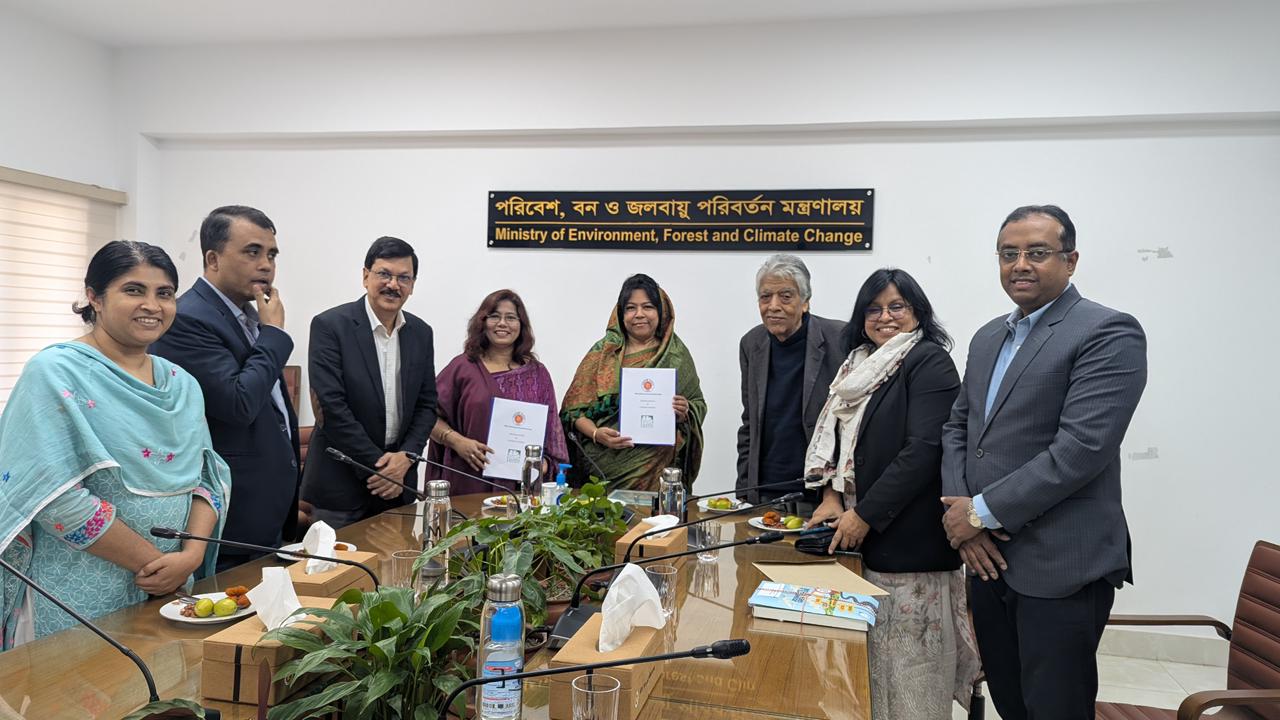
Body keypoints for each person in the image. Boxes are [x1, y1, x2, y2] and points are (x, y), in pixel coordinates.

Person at [940, 205, 1147, 719]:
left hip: (1061, 562)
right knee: (1010, 702)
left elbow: (1081, 450)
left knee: (1055, 708)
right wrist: (963, 514)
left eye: (1037, 252)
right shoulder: (988, 337)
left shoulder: (1107, 331)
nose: (1020, 265)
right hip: (987, 562)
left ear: (1071, 260)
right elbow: (958, 429)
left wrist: (978, 514)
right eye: (1008, 254)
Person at [0, 241, 230, 649]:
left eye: (164, 293)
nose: (152, 305)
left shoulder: (182, 385)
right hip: (76, 592)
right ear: (94, 297)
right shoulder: (54, 373)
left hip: (171, 588)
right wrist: (156, 565)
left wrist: (191, 557)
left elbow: (208, 480)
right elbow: (53, 497)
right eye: (133, 290)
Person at [803, 268, 981, 719]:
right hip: (857, 543)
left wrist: (865, 514)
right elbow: (839, 446)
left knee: (911, 679)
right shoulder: (855, 368)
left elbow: (923, 450)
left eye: (896, 306)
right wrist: (831, 497)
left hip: (908, 550)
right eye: (874, 308)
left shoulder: (928, 362)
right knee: (868, 675)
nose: (885, 317)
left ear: (917, 312)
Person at [150, 205, 299, 570]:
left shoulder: (248, 316)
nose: (266, 265)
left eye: (272, 255)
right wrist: (274, 334)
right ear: (213, 259)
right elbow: (238, 403)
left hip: (264, 517)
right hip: (227, 520)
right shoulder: (187, 318)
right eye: (252, 252)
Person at [301, 237, 438, 526]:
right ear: (365, 276)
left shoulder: (421, 332)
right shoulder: (330, 326)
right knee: (335, 558)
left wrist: (406, 458)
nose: (393, 285)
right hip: (341, 484)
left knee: (399, 557)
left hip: (399, 484)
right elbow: (331, 407)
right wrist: (382, 469)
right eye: (384, 274)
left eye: (404, 277)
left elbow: (427, 405)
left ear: (413, 285)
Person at [561, 274, 706, 491]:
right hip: (603, 469)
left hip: (658, 470)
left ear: (661, 312)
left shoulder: (676, 355)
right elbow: (572, 411)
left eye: (648, 307)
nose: (639, 314)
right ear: (621, 314)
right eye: (631, 308)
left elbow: (698, 404)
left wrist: (685, 410)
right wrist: (596, 434)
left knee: (655, 514)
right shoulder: (603, 354)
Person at [427, 289, 567, 495]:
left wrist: (543, 464)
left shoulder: (537, 374)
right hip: (469, 479)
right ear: (482, 322)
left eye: (511, 317)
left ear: (521, 325)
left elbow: (552, 431)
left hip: (521, 487)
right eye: (494, 316)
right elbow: (426, 415)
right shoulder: (462, 367)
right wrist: (457, 441)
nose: (502, 323)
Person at [736, 254, 845, 508]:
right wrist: (744, 490)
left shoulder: (840, 339)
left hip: (821, 493)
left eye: (785, 296)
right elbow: (749, 423)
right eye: (765, 297)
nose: (773, 306)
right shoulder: (751, 344)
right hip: (764, 490)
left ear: (805, 302)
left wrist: (836, 492)